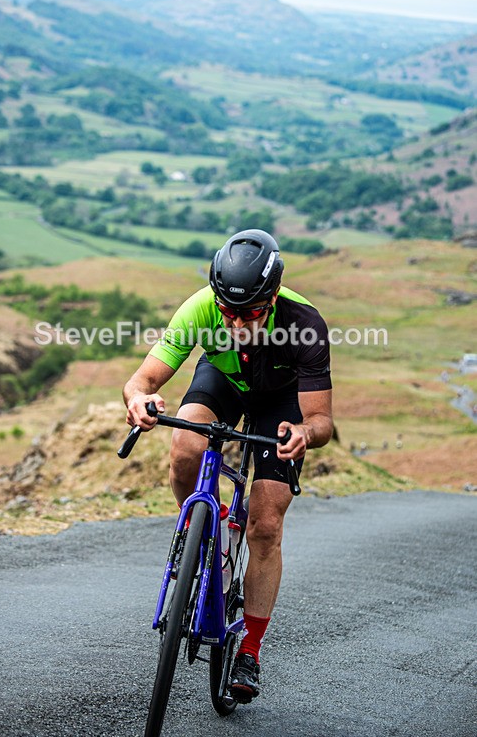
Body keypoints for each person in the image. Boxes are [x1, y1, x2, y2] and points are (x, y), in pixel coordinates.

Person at [124, 229, 333, 703]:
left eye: (249, 312)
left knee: (265, 524)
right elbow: (142, 379)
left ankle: (250, 651)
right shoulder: (201, 306)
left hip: (280, 400)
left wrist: (304, 433)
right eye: (227, 310)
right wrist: (140, 399)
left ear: (273, 296)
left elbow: (320, 419)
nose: (236, 321)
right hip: (221, 380)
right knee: (185, 447)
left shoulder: (305, 323)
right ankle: (203, 526)